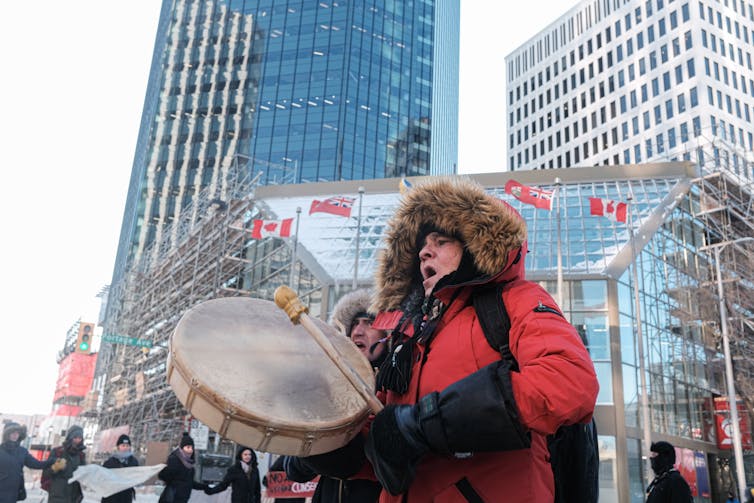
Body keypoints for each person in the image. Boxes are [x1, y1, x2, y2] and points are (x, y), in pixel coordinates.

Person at [360, 177, 599, 501]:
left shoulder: (516, 300)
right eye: (421, 245)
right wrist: (336, 449)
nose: (424, 252)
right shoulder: (409, 334)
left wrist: (427, 422)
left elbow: (570, 380)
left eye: (441, 240)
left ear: (475, 244)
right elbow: (386, 450)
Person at [283, 289, 384, 503]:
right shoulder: (328, 388)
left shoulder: (398, 384)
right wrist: (314, 447)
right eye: (354, 324)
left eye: (369, 323)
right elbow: (293, 470)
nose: (357, 331)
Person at [0, 422, 57, 503]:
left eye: (17, 433)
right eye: (12, 433)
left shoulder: (22, 452)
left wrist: (51, 461)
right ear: (6, 434)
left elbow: (36, 464)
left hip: (13, 491)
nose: (15, 435)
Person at [157, 433, 208, 503]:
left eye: (192, 448)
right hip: (171, 499)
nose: (190, 450)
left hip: (182, 499)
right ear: (182, 448)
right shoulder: (174, 459)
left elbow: (189, 483)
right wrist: (168, 470)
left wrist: (203, 486)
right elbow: (163, 476)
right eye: (188, 447)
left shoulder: (190, 465)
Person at [43, 425, 87, 503]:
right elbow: (46, 473)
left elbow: (83, 474)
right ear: (70, 437)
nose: (77, 440)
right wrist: (55, 468)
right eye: (75, 437)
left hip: (74, 494)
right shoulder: (57, 452)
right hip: (57, 493)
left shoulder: (81, 455)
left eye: (80, 438)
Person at [101, 434, 139, 503]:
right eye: (123, 445)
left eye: (127, 446)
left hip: (126, 495)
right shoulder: (110, 461)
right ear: (118, 446)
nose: (125, 448)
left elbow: (137, 475)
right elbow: (103, 476)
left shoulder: (133, 461)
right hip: (111, 496)